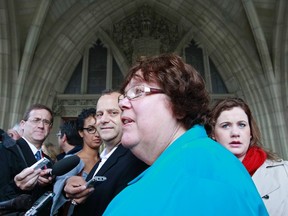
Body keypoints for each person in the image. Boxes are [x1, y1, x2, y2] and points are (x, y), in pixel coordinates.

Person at [103, 53, 268, 215]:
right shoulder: (181, 166)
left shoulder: (203, 169)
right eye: (123, 96)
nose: (123, 103)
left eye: (137, 91)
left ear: (178, 105)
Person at [62, 90, 149, 216]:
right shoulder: (104, 159)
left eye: (113, 113)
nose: (103, 120)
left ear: (125, 116)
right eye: (99, 114)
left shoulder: (135, 161)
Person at [206, 97, 288, 216]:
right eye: (225, 126)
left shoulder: (283, 173)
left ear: (250, 132)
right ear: (213, 134)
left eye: (242, 125)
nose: (235, 133)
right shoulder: (203, 178)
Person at [0, 103, 54, 215]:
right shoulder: (5, 151)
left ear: (50, 128)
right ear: (23, 124)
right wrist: (16, 186)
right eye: (36, 120)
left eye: (46, 122)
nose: (41, 125)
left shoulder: (48, 161)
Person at [51, 108, 102, 215]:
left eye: (99, 128)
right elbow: (57, 190)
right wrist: (67, 183)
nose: (97, 134)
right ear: (81, 132)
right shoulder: (73, 160)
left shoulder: (105, 159)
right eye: (90, 129)